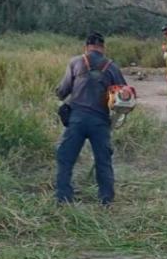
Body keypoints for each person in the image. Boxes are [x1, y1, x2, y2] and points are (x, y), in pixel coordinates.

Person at [55, 32, 128, 205]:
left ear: (86, 47)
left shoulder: (75, 62)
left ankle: (63, 198)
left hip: (77, 120)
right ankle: (106, 201)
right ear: (103, 48)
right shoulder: (112, 67)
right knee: (103, 161)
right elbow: (124, 95)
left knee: (65, 159)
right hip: (100, 122)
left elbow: (62, 91)